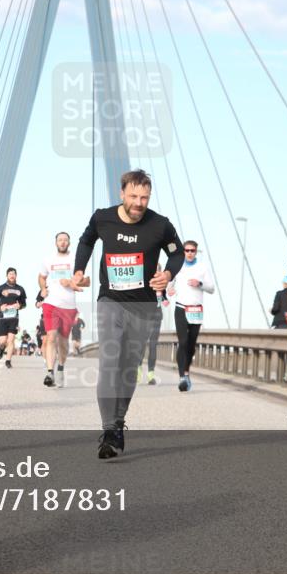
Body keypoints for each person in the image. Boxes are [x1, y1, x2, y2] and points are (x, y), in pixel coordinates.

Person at [74, 169, 183, 458]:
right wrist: (79, 270)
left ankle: (119, 420)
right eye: (133, 196)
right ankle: (109, 430)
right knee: (110, 362)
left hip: (144, 307)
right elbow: (86, 241)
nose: (138, 203)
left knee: (129, 369)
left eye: (144, 197)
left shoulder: (160, 225)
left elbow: (177, 253)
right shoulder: (103, 218)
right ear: (122, 193)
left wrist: (168, 274)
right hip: (110, 300)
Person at [38, 232, 89, 388]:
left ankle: (60, 367)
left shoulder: (75, 260)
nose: (62, 242)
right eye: (60, 240)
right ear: (56, 243)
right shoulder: (48, 260)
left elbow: (87, 282)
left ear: (69, 243)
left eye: (65, 240)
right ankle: (50, 372)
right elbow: (41, 277)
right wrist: (43, 289)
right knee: (51, 337)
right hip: (51, 303)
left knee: (63, 342)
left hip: (68, 306)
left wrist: (71, 282)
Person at [167, 242, 215, 391]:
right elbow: (169, 283)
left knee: (191, 345)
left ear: (196, 252)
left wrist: (199, 283)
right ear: (183, 251)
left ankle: (187, 372)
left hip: (196, 310)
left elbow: (211, 288)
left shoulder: (202, 267)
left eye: (192, 250)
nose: (189, 253)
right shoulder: (177, 266)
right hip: (181, 308)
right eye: (186, 250)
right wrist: (169, 290)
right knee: (183, 342)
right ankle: (182, 377)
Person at [138, 265, 166, 385]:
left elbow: (164, 297)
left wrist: (165, 298)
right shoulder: (144, 283)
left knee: (153, 345)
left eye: (158, 270)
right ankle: (138, 369)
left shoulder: (162, 284)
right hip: (144, 317)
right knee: (142, 344)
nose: (155, 272)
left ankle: (151, 374)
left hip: (157, 316)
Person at [0, 267, 26, 368]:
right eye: (10, 274)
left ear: (16, 276)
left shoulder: (20, 289)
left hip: (14, 318)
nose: (12, 275)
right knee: (3, 341)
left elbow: (24, 304)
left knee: (11, 340)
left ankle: (8, 361)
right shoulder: (1, 288)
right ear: (7, 275)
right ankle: (2, 347)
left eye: (13, 274)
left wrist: (20, 306)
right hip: (2, 318)